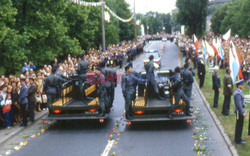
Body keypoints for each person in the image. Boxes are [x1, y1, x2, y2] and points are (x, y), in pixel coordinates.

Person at [233, 79, 246, 144]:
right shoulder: (237, 93)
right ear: (239, 86)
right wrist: (242, 112)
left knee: (240, 125)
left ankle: (239, 137)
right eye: (242, 85)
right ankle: (237, 139)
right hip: (239, 111)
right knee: (239, 125)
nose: (243, 86)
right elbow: (239, 104)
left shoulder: (239, 92)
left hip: (241, 110)